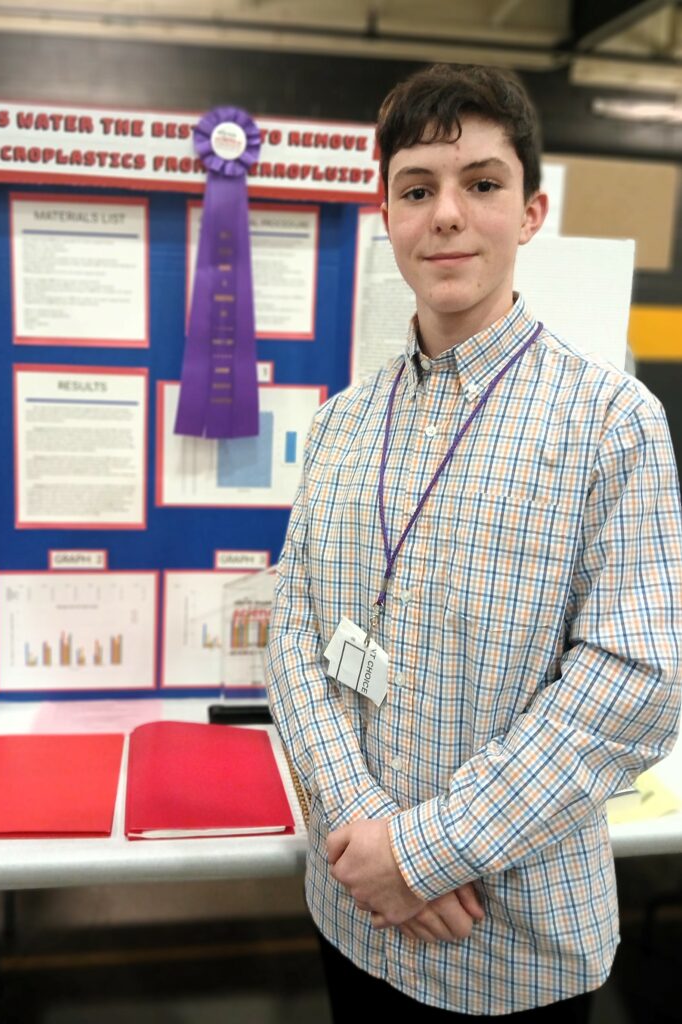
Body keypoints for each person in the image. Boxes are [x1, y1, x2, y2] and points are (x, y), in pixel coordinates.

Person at [266, 62, 682, 1021]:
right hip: (353, 912)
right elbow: (292, 629)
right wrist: (369, 840)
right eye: (417, 189)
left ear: (531, 212)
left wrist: (423, 854)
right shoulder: (341, 425)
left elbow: (631, 690)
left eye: (481, 184)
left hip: (509, 944)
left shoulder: (612, 423)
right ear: (387, 214)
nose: (446, 215)